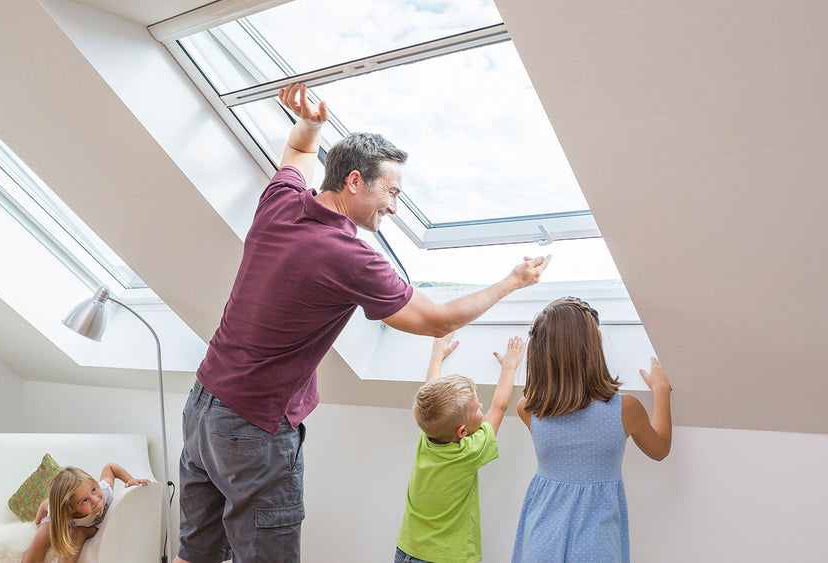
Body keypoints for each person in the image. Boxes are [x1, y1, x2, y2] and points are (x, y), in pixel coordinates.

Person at [177, 83, 551, 563]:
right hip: (252, 428)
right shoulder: (348, 256)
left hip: (203, 407)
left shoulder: (281, 202)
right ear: (355, 181)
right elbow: (436, 320)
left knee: (196, 553)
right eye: (391, 192)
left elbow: (296, 151)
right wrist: (511, 282)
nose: (394, 206)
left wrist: (310, 125)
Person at [511, 297, 672, 562]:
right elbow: (660, 449)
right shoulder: (625, 409)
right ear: (593, 348)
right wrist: (661, 391)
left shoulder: (528, 408)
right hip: (596, 544)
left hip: (539, 539)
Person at [395, 332, 524, 563]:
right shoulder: (468, 452)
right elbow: (499, 407)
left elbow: (430, 392)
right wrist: (510, 365)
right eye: (477, 409)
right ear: (462, 432)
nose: (481, 407)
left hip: (407, 550)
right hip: (447, 558)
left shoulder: (427, 435)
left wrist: (437, 356)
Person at [21, 463, 150, 563]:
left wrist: (130, 479)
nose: (95, 500)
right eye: (84, 501)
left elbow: (110, 467)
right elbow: (45, 505)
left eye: (93, 490)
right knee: (43, 533)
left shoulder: (104, 492)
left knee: (79, 532)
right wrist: (36, 523)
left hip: (92, 526)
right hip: (65, 520)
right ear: (71, 508)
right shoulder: (61, 511)